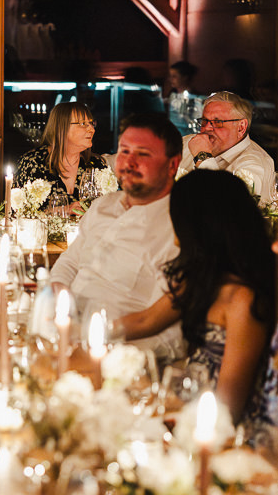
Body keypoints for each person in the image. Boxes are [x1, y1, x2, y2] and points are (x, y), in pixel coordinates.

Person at [117, 170, 278, 444]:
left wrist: (166, 407)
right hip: (188, 405)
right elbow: (146, 321)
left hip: (219, 432)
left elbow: (229, 406)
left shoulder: (242, 299)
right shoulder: (203, 277)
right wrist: (83, 333)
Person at [50, 113, 185, 361]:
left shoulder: (179, 228)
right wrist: (55, 296)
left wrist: (89, 336)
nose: (129, 162)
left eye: (143, 154)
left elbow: (157, 322)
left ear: (172, 164)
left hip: (122, 353)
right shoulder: (103, 204)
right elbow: (70, 263)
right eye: (124, 151)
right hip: (65, 334)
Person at [177, 91, 275, 203]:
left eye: (218, 121)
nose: (207, 128)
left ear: (241, 127)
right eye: (205, 120)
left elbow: (230, 209)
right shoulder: (186, 143)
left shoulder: (254, 163)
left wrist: (202, 157)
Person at [14, 101, 106, 213]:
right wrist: (64, 210)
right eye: (83, 124)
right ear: (62, 127)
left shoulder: (96, 165)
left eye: (92, 123)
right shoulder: (33, 163)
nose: (92, 129)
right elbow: (17, 213)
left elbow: (108, 211)